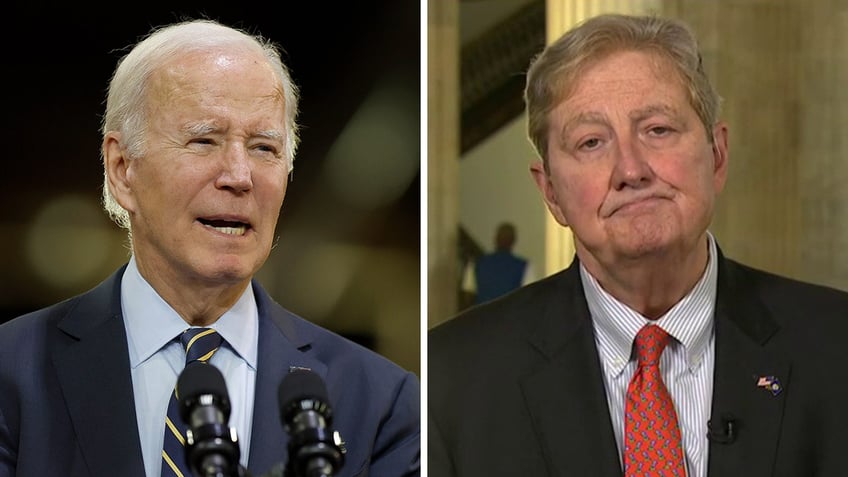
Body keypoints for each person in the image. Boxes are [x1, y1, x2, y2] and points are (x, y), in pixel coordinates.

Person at [429, 13, 848, 477]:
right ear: (550, 192)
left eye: (658, 129)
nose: (631, 170)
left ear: (718, 154)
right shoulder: (450, 383)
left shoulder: (837, 347)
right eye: (591, 142)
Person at [0, 19, 420, 477]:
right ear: (122, 169)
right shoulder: (12, 374)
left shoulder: (382, 403)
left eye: (263, 148)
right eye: (204, 141)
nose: (240, 176)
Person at [461, 222, 536, 306]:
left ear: (495, 238)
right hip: (511, 315)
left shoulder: (477, 263)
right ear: (513, 240)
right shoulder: (524, 266)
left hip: (483, 315)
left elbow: (468, 295)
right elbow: (528, 297)